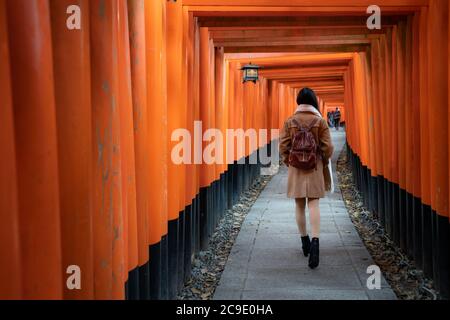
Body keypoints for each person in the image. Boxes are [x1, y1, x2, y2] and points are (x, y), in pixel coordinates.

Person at [279, 88, 334, 269]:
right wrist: (322, 161)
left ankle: (305, 241)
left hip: (296, 167)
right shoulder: (320, 121)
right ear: (313, 102)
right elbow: (328, 148)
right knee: (314, 204)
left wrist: (290, 161)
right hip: (314, 166)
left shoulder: (290, 121)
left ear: (298, 101)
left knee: (299, 205)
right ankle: (316, 243)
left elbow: (283, 147)